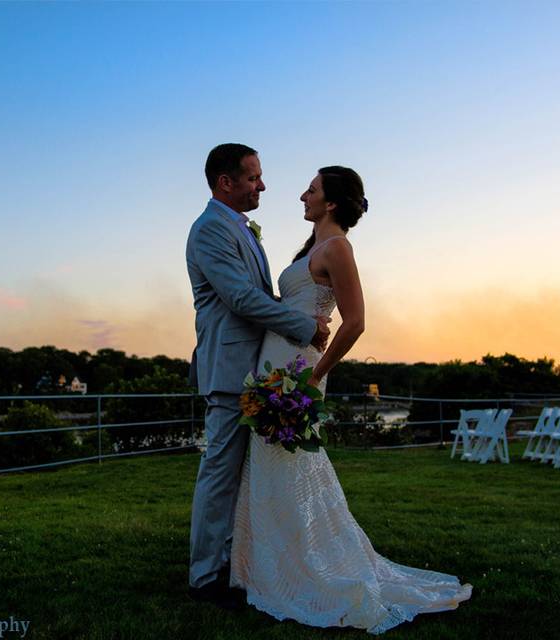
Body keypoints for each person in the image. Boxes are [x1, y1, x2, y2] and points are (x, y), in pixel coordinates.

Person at [229, 166, 472, 633]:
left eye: (312, 189)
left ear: (332, 202)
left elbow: (355, 321)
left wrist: (314, 377)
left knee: (290, 465)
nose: (303, 194)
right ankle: (262, 563)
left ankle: (304, 567)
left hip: (300, 371)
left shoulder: (337, 248)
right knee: (268, 466)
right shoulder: (313, 248)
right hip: (273, 365)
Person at [186, 143, 332, 609]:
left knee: (245, 476)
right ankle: (206, 578)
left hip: (257, 368)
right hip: (230, 371)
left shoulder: (240, 229)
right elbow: (242, 299)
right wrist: (306, 327)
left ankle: (240, 563)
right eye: (253, 178)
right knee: (220, 475)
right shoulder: (210, 229)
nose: (262, 186)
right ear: (225, 182)